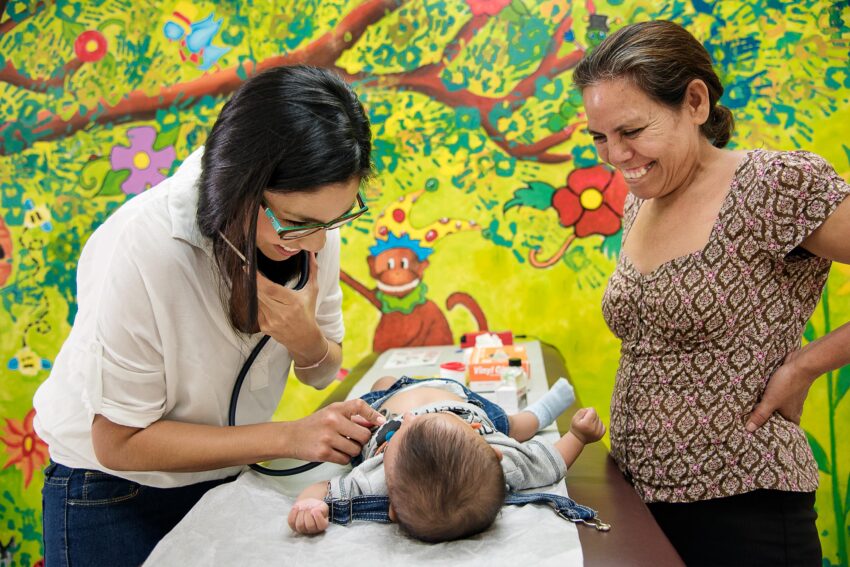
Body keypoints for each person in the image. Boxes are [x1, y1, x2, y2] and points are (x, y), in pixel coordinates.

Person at [32, 65, 388, 566]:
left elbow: (323, 368)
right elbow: (118, 442)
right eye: (297, 224)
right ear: (241, 186)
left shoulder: (312, 232)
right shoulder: (146, 246)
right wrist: (290, 435)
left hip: (223, 473)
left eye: (333, 219)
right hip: (113, 491)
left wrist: (305, 339)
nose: (316, 242)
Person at [572, 20, 850, 566]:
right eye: (600, 137)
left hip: (746, 508)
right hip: (643, 502)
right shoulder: (642, 201)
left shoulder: (774, 185)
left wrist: (804, 366)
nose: (615, 155)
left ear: (694, 102)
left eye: (631, 130)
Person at [287, 375, 605, 542]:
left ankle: (390, 385)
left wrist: (309, 506)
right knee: (517, 427)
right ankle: (544, 408)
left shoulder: (378, 481)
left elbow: (320, 491)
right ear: (495, 454)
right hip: (460, 401)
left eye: (403, 430)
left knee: (382, 380)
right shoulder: (502, 458)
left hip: (386, 402)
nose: (409, 417)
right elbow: (550, 460)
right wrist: (578, 437)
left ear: (393, 509)